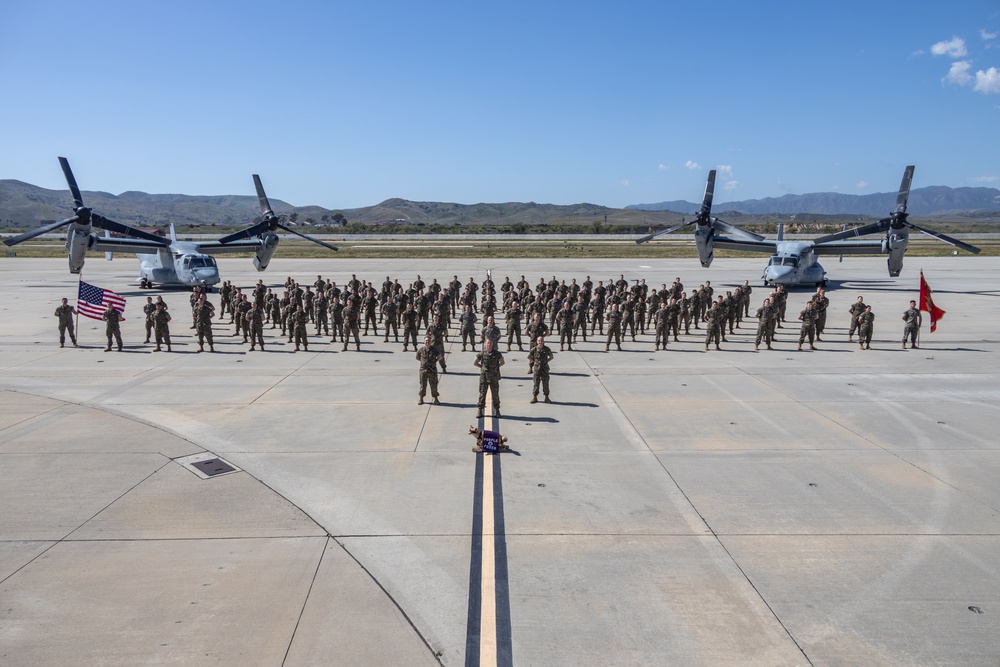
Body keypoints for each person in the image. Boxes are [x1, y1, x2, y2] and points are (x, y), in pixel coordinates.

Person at [474, 337, 505, 419]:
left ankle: (497, 410)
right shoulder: (482, 353)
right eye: (488, 343)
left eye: (491, 343)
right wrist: (482, 367)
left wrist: (496, 367)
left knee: (495, 395)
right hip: (484, 377)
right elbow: (475, 362)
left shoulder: (497, 354)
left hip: (494, 378)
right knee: (482, 394)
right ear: (485, 344)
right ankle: (480, 410)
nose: (489, 344)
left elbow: (502, 362)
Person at [527, 336, 554, 403]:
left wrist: (546, 361)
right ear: (537, 341)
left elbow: (551, 357)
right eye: (539, 341)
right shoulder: (534, 349)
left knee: (545, 383)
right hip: (537, 369)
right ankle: (535, 397)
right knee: (536, 383)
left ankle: (546, 397)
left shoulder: (547, 349)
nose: (540, 342)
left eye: (541, 341)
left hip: (544, 369)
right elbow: (529, 357)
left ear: (543, 341)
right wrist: (534, 361)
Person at [416, 335, 441, 405]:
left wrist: (434, 361)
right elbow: (417, 358)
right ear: (424, 341)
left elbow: (440, 357)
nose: (427, 342)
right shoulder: (421, 350)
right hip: (423, 371)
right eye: (426, 341)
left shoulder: (434, 350)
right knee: (422, 385)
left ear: (431, 342)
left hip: (432, 371)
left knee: (434, 385)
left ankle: (436, 398)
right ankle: (421, 398)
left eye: (429, 341)